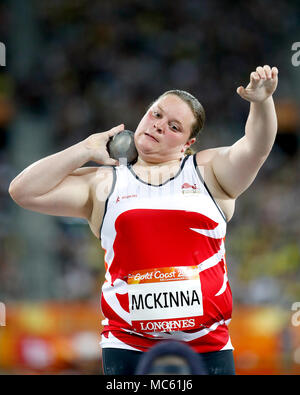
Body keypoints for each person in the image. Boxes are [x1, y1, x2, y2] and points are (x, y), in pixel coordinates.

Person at [9, 65, 279, 375]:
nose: (160, 126)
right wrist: (84, 149)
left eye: (175, 126)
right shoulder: (103, 183)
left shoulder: (210, 173)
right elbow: (23, 191)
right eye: (156, 114)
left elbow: (256, 147)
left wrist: (261, 102)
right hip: (128, 345)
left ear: (187, 144)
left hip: (207, 344)